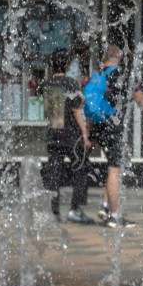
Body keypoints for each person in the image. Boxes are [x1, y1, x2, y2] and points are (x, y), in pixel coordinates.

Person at [87, 43, 143, 229]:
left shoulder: (98, 76)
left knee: (113, 167)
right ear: (117, 56)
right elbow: (140, 98)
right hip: (114, 128)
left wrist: (89, 133)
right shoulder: (122, 75)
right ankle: (115, 216)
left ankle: (105, 206)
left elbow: (90, 105)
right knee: (114, 171)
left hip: (99, 127)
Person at [41, 48, 94, 223]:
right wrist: (85, 133)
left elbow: (50, 114)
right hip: (72, 136)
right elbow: (76, 110)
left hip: (54, 134)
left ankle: (54, 211)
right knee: (81, 168)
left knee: (54, 172)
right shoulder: (71, 83)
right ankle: (75, 209)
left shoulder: (47, 84)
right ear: (67, 64)